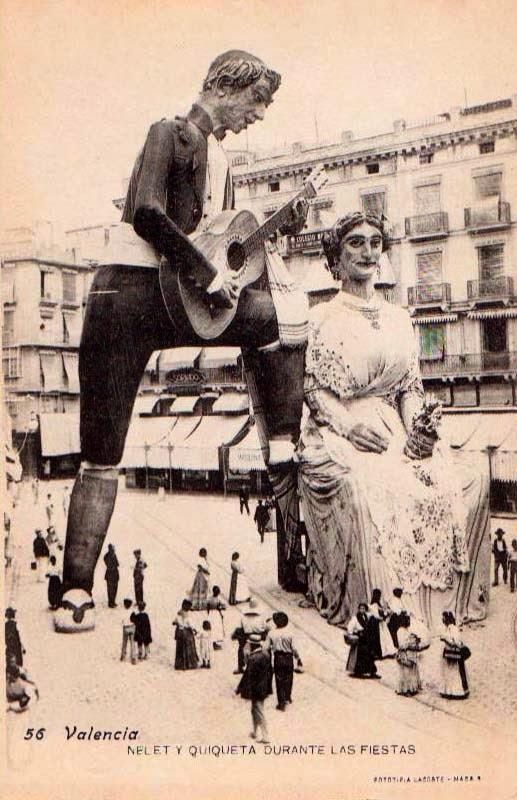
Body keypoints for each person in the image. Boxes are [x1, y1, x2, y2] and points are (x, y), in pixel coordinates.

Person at [56, 49, 308, 633]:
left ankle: (282, 446)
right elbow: (146, 212)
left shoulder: (224, 161)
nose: (260, 114)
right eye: (256, 101)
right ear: (224, 87)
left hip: (180, 303)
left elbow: (223, 250)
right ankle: (75, 586)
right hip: (126, 296)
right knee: (103, 450)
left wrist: (255, 253)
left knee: (274, 315)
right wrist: (206, 273)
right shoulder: (169, 133)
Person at [297, 212, 490, 633]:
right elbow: (314, 391)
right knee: (367, 486)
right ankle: (380, 609)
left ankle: (445, 604)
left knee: (469, 479)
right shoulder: (323, 317)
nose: (368, 251)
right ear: (336, 256)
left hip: (394, 425)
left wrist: (418, 429)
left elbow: (409, 386)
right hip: (340, 429)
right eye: (355, 243)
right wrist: (349, 427)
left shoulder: (400, 318)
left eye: (375, 242)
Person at [236, 633, 273, 743]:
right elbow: (270, 671)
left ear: (252, 645)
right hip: (264, 687)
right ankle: (254, 731)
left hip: (256, 688)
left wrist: (239, 688)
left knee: (259, 711)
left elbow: (247, 675)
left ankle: (265, 736)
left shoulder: (253, 658)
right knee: (254, 710)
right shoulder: (266, 655)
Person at [265, 611, 302, 711]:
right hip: (288, 657)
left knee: (279, 679)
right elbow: (294, 648)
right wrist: (298, 658)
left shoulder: (271, 633)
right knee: (289, 677)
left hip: (278, 657)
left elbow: (266, 647)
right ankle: (288, 697)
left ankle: (281, 703)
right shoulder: (290, 633)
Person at [344, 603, 380, 679]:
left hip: (366, 638)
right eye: (361, 609)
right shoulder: (355, 618)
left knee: (370, 654)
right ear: (358, 609)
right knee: (360, 655)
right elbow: (350, 627)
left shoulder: (366, 617)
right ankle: (358, 672)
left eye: (363, 609)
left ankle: (371, 672)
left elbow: (373, 615)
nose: (362, 610)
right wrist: (353, 633)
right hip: (360, 638)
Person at [439, 611, 470, 700]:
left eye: (444, 618)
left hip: (453, 653)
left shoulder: (453, 629)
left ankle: (457, 692)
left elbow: (456, 642)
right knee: (448, 672)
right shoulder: (448, 628)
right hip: (448, 653)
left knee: (454, 672)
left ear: (447, 619)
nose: (442, 620)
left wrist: (445, 639)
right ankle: (449, 691)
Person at [395, 613, 421, 697]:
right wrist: (410, 643)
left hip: (411, 653)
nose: (409, 621)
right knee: (405, 672)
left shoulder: (408, 630)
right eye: (407, 620)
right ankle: (405, 689)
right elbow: (402, 644)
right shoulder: (400, 631)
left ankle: (412, 688)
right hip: (404, 653)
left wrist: (415, 640)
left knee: (411, 671)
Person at [368, 588, 396, 659]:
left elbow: (382, 611)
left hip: (382, 623)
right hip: (377, 624)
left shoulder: (378, 604)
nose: (379, 597)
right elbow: (376, 616)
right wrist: (384, 616)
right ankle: (383, 653)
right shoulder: (374, 605)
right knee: (382, 638)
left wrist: (386, 613)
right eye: (378, 595)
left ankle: (388, 652)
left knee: (386, 637)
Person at [173, 599, 199, 670]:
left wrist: (176, 623)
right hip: (186, 632)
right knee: (189, 647)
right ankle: (189, 663)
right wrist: (195, 630)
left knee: (180, 648)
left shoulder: (179, 613)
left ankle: (180, 664)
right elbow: (190, 624)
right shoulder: (187, 615)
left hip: (179, 632)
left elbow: (174, 622)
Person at [120, 599, 137, 665]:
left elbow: (122, 621)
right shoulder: (132, 612)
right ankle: (133, 658)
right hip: (132, 627)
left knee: (124, 642)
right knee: (132, 643)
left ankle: (123, 655)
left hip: (125, 628)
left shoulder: (123, 612)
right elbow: (134, 619)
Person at [103, 543, 119, 608]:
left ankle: (113, 601)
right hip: (110, 574)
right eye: (112, 548)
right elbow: (110, 565)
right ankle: (110, 603)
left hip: (115, 574)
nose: (113, 550)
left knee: (115, 589)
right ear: (109, 549)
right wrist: (113, 565)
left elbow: (117, 564)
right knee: (110, 590)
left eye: (113, 549)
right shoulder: (107, 556)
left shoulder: (114, 555)